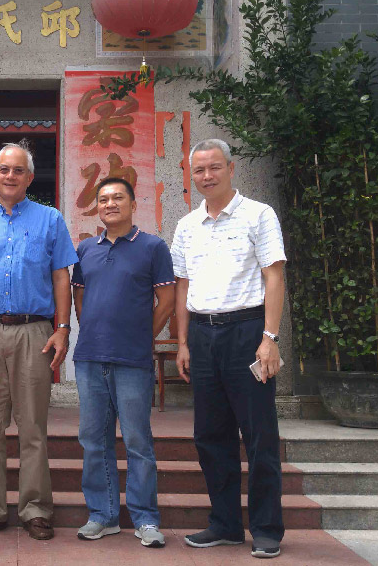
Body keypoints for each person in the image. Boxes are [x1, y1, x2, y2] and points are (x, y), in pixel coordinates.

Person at [170, 139, 287, 559]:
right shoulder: (187, 225)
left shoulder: (259, 214)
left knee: (259, 435)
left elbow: (275, 276)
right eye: (199, 170)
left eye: (215, 167)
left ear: (231, 168)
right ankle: (225, 524)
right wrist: (183, 342)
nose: (207, 176)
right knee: (209, 435)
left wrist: (270, 339)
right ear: (192, 175)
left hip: (247, 332)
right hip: (203, 335)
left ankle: (267, 529)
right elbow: (182, 285)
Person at [0, 142, 78, 541]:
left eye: (18, 170)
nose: (10, 176)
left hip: (34, 331)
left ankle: (36, 509)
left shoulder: (50, 219)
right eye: (4, 169)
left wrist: (63, 328)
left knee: (33, 426)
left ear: (30, 177)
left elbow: (61, 276)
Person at [70, 177, 175, 548]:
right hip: (89, 358)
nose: (110, 204)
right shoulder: (85, 249)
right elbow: (79, 297)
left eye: (117, 198)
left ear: (133, 204)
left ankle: (145, 519)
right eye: (103, 199)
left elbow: (167, 299)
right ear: (96, 207)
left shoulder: (153, 247)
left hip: (133, 358)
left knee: (137, 440)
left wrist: (143, 336)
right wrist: (92, 330)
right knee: (93, 440)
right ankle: (103, 515)